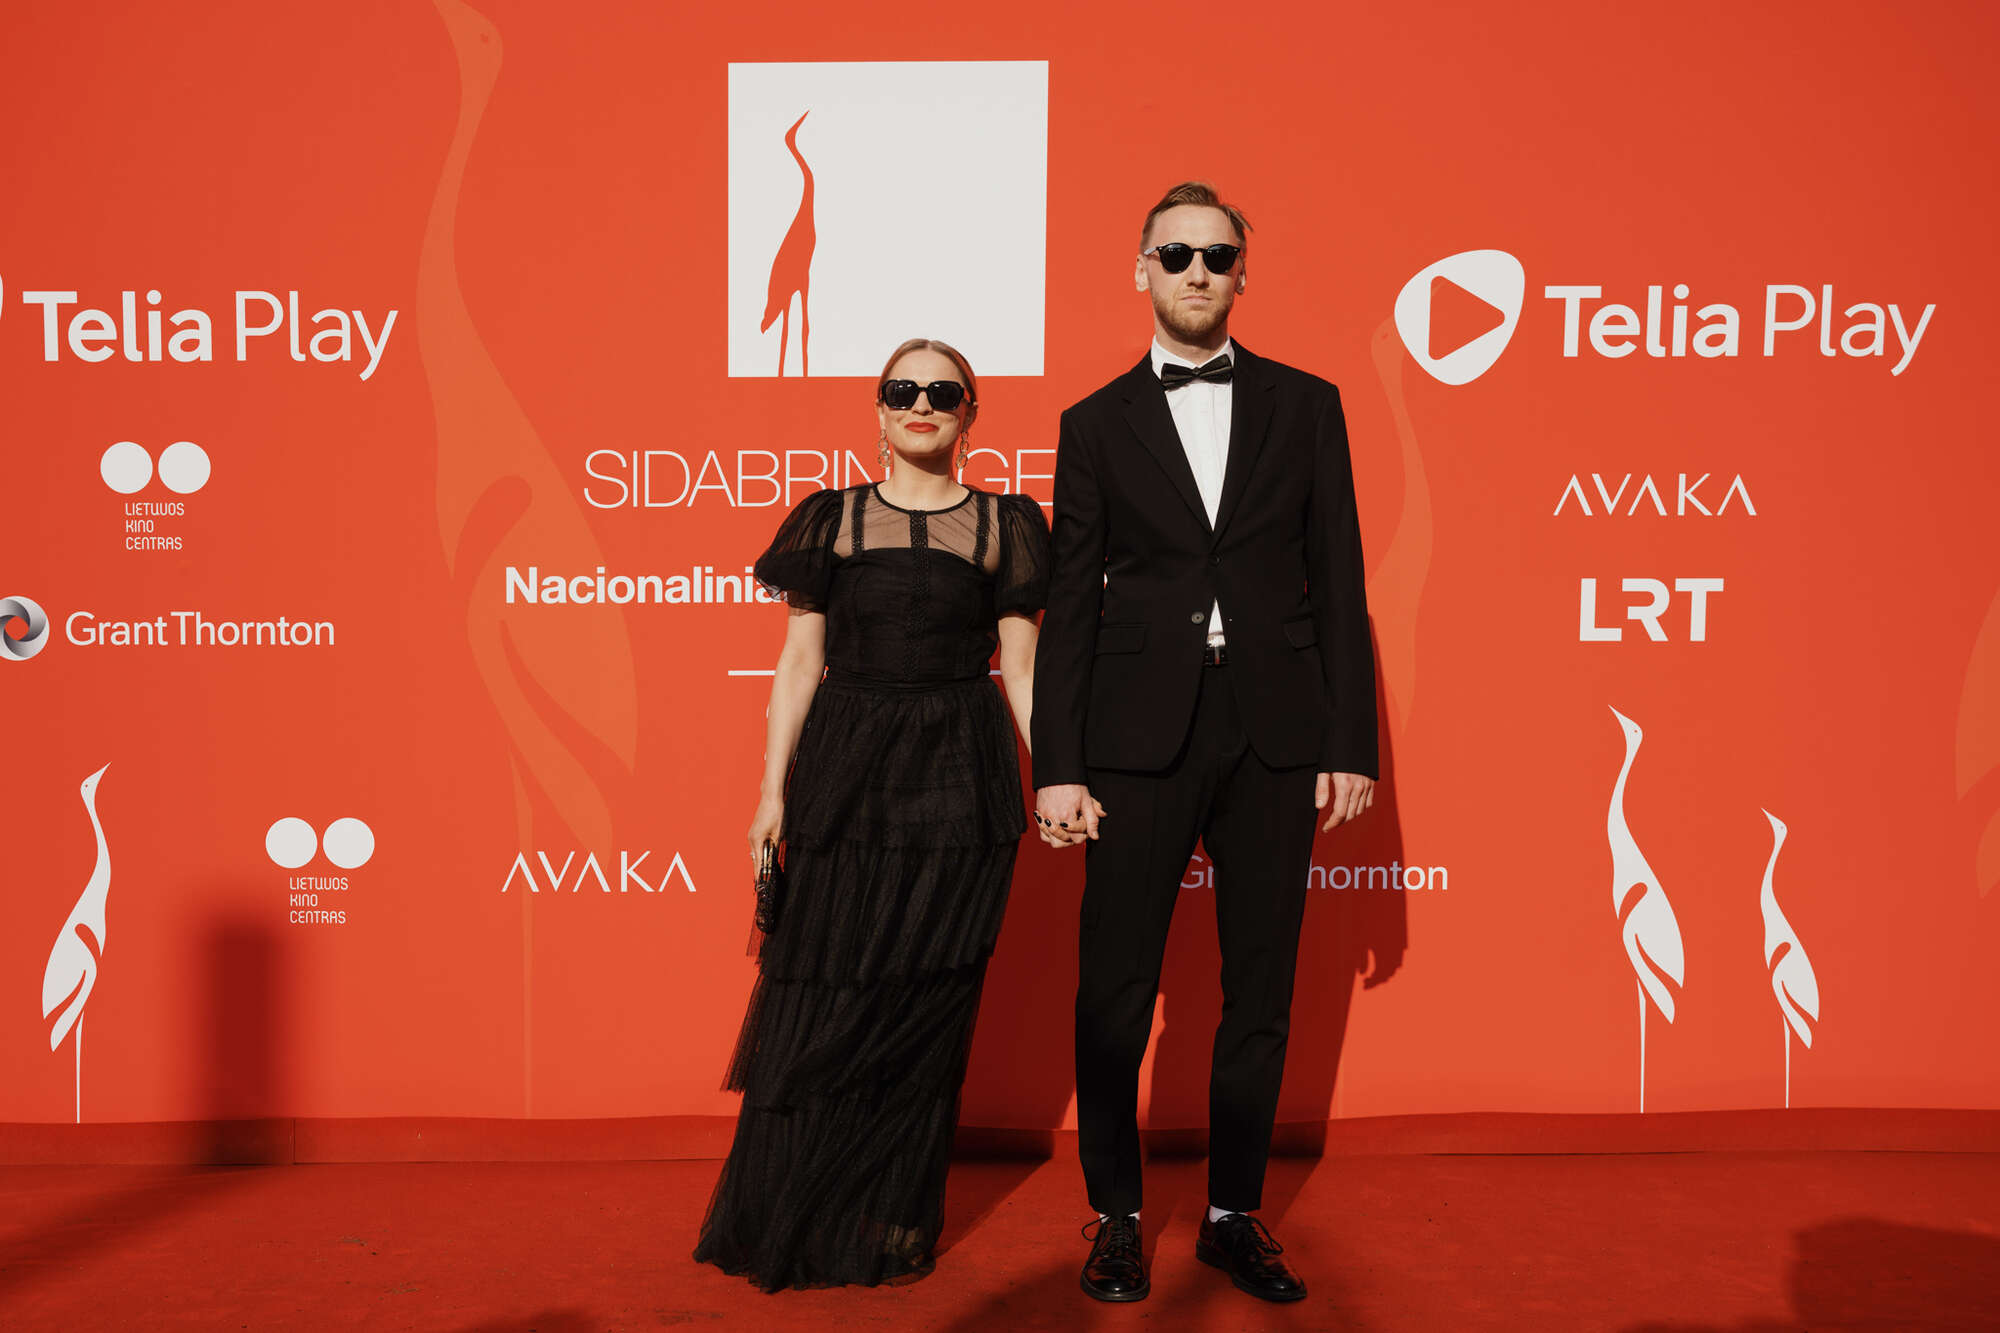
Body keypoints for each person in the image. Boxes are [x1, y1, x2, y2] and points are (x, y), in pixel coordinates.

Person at [1030, 182, 1380, 1305]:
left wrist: (1350, 742)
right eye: (1175, 253)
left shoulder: (1308, 405)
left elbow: (1339, 579)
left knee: (1261, 985)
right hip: (1135, 734)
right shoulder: (1093, 423)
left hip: (1274, 726)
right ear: (1141, 268)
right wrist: (1058, 764)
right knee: (1114, 986)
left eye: (1215, 255)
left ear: (1240, 275)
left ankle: (1233, 1213)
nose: (1195, 271)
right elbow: (1070, 606)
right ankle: (1116, 1217)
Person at [693, 338, 1051, 1291]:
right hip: (846, 770)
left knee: (927, 1005)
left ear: (970, 413)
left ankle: (889, 1215)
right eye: (903, 389)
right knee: (823, 990)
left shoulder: (1007, 524)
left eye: (943, 391)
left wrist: (1056, 777)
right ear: (879, 410)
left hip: (961, 778)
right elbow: (798, 662)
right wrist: (771, 792)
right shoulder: (832, 519)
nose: (921, 403)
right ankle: (794, 1210)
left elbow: (1021, 672)